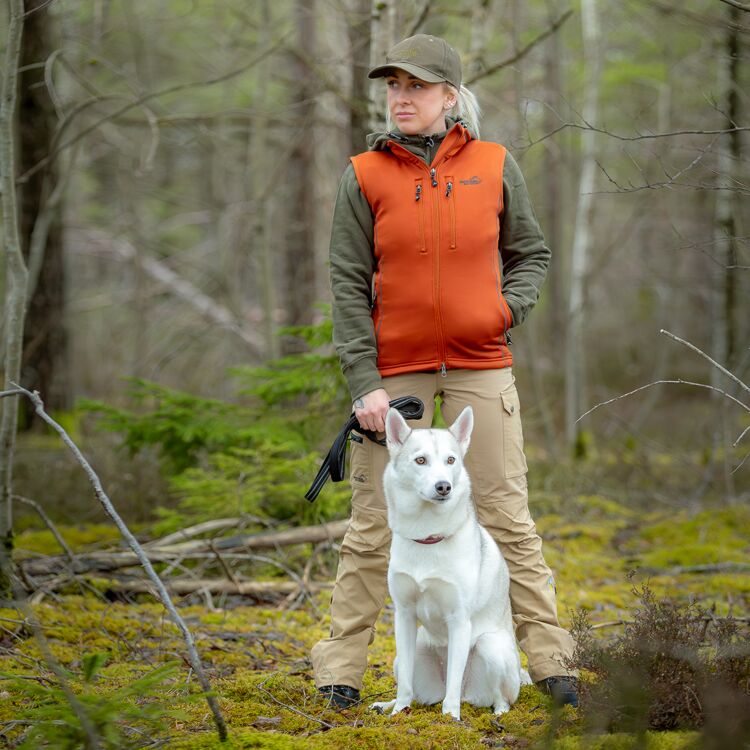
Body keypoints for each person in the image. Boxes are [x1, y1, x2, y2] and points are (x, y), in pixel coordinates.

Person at [311, 33, 578, 710]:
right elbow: (346, 284)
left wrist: (504, 310)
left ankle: (551, 664)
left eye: (417, 87)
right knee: (373, 525)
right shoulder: (364, 174)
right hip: (393, 380)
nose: (402, 98)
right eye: (394, 86)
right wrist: (363, 382)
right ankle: (340, 673)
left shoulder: (493, 164)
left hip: (481, 367)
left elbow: (533, 253)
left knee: (507, 517)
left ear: (449, 97)